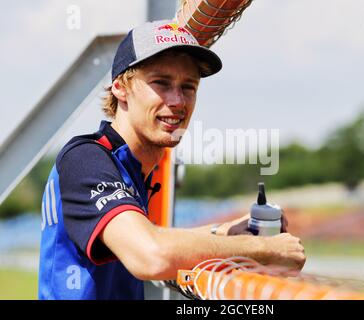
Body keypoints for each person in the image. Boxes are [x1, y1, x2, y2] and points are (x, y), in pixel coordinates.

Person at [38, 20, 305, 300]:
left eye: (188, 87)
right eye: (161, 83)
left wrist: (223, 232)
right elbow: (151, 254)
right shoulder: (86, 159)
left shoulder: (129, 166)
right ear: (120, 88)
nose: (177, 100)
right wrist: (265, 249)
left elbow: (151, 239)